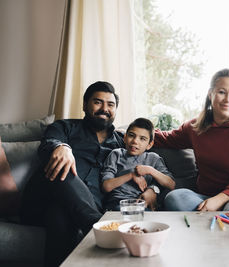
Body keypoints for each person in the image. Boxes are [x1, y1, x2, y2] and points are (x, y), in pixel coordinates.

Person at [20, 81, 157, 267]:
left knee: (60, 216)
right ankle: (97, 226)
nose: (104, 109)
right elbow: (48, 144)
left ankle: (95, 228)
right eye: (98, 102)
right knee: (64, 165)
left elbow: (144, 165)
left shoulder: (123, 144)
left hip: (72, 208)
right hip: (41, 199)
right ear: (85, 105)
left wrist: (153, 189)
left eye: (110, 105)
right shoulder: (65, 127)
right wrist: (61, 147)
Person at [154, 68, 229, 211]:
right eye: (222, 92)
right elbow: (167, 139)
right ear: (210, 94)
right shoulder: (196, 127)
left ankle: (215, 219)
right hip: (205, 197)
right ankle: (212, 219)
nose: (228, 99)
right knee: (174, 198)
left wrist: (221, 198)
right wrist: (130, 133)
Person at [101, 118, 175, 211]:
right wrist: (131, 175)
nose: (135, 141)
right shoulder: (116, 154)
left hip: (143, 204)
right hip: (118, 204)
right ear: (125, 138)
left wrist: (150, 170)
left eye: (142, 139)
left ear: (149, 145)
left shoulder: (153, 158)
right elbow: (106, 186)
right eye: (131, 135)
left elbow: (171, 184)